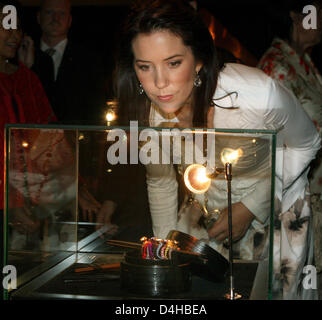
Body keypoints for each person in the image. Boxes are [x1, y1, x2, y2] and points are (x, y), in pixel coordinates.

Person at [114, 0, 321, 299]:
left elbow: (307, 141)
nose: (160, 84)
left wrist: (252, 207)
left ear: (198, 60)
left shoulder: (255, 93)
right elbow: (160, 181)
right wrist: (162, 252)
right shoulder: (150, 116)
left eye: (173, 63)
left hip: (276, 211)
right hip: (209, 224)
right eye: (145, 67)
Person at [258, 0, 322, 275]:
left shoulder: (304, 63)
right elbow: (271, 139)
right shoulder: (277, 65)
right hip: (294, 196)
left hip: (314, 189)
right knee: (294, 279)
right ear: (297, 17)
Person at [19, 0, 108, 124]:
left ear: (69, 20)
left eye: (61, 13)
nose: (55, 18)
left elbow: (96, 110)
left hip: (76, 138)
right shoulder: (22, 55)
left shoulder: (88, 60)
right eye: (50, 12)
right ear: (39, 17)